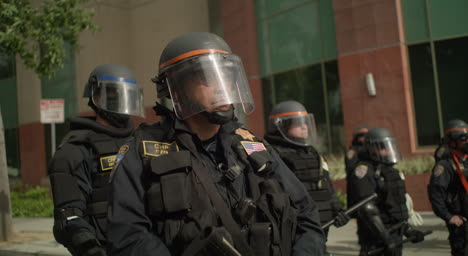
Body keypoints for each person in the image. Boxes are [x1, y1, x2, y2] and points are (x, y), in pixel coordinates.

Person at [107, 32, 325, 256]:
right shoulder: (143, 151)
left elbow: (306, 215)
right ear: (177, 87)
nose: (222, 87)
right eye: (207, 77)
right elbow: (127, 236)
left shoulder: (253, 145)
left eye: (227, 76)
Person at [48, 64, 144, 256]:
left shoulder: (144, 142)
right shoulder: (74, 151)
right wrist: (91, 250)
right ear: (96, 98)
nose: (120, 103)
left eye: (125, 96)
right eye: (112, 96)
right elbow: (69, 218)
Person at [264, 100, 350, 239]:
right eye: (298, 123)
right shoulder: (273, 155)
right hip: (294, 230)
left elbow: (325, 185)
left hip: (321, 226)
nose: (305, 127)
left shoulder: (312, 153)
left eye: (305, 122)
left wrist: (337, 209)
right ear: (281, 126)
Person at [347, 128, 424, 256]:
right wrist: (387, 240)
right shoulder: (364, 171)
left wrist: (408, 230)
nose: (387, 150)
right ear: (370, 148)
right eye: (382, 147)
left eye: (389, 147)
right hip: (375, 239)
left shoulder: (390, 172)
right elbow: (368, 209)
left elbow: (395, 207)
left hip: (394, 236)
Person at [428, 119, 468, 256]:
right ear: (452, 141)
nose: (467, 142)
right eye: (463, 138)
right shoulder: (445, 166)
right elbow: (435, 194)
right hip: (462, 226)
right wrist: (448, 217)